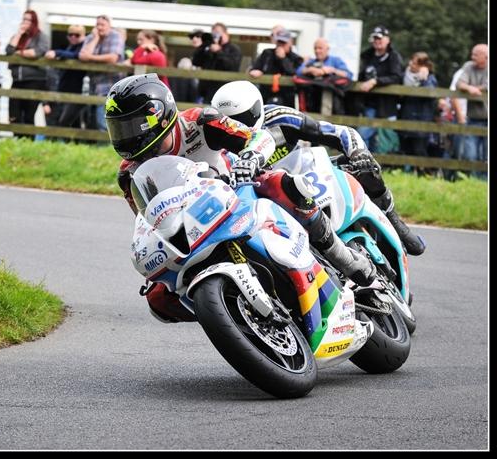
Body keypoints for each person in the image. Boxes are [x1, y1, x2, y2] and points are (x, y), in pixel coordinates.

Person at [106, 74, 376, 323]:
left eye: (131, 126)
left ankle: (343, 258)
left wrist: (250, 159)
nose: (125, 138)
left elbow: (257, 137)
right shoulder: (129, 173)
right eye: (118, 129)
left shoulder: (199, 121)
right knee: (158, 300)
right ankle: (232, 313)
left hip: (237, 188)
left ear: (159, 115)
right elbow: (147, 217)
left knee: (282, 184)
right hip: (194, 221)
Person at [211, 80, 426, 257]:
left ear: (257, 110)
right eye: (229, 121)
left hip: (309, 176)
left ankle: (393, 220)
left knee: (366, 168)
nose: (237, 127)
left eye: (242, 119)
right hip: (268, 200)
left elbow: (340, 133)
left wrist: (358, 154)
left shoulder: (280, 117)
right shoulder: (217, 142)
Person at [354, 26, 404, 152]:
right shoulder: (367, 56)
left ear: (387, 40)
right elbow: (359, 74)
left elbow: (396, 77)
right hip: (368, 103)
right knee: (365, 136)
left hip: (386, 106)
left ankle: (380, 165)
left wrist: (375, 81)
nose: (377, 41)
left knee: (382, 138)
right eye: (375, 38)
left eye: (380, 38)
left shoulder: (393, 57)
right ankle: (364, 165)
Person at [78, 14, 125, 131]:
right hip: (93, 85)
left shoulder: (115, 36)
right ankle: (99, 146)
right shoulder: (92, 37)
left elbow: (113, 58)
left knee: (103, 120)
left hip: (111, 85)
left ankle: (106, 146)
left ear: (109, 25)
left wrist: (91, 57)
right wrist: (96, 39)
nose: (99, 27)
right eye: (97, 24)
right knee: (93, 118)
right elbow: (82, 56)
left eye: (102, 25)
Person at [5, 10, 50, 126]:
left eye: (27, 20)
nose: (24, 22)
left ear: (33, 22)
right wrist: (19, 34)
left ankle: (28, 141)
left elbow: (37, 52)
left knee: (29, 115)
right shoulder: (18, 37)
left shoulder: (41, 36)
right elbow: (9, 51)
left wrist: (19, 53)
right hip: (17, 80)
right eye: (23, 19)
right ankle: (16, 140)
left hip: (34, 80)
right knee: (14, 114)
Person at [399, 52, 439, 171]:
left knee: (419, 151)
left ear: (423, 65)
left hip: (421, 120)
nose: (410, 64)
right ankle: (408, 174)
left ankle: (425, 174)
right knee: (406, 149)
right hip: (405, 117)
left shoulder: (430, 78)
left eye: (414, 62)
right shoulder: (405, 76)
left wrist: (423, 79)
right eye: (411, 60)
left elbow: (431, 94)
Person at [44, 24, 88, 128]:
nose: (73, 37)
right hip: (65, 88)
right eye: (70, 34)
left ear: (83, 36)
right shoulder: (70, 47)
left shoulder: (84, 46)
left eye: (77, 35)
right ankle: (72, 142)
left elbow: (76, 55)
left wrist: (57, 52)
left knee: (65, 120)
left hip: (77, 89)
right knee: (71, 120)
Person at [294, 37, 353, 114]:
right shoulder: (311, 62)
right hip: (312, 104)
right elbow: (298, 72)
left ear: (327, 49)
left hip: (332, 106)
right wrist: (310, 70)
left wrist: (331, 70)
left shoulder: (335, 60)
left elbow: (348, 75)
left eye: (320, 48)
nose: (317, 51)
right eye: (315, 48)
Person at [455, 43, 488, 179]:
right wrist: (470, 89)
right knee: (471, 154)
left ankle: (485, 183)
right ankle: (474, 180)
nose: (472, 56)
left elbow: (487, 86)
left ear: (485, 57)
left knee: (486, 155)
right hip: (473, 118)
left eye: (475, 54)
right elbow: (459, 83)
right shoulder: (469, 66)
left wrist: (475, 88)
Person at [249, 28, 303, 107]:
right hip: (266, 96)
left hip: (286, 98)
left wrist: (283, 59)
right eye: (279, 42)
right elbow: (255, 68)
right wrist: (255, 71)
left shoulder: (296, 58)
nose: (280, 45)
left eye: (283, 42)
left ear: (290, 43)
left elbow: (293, 73)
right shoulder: (267, 53)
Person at [191, 22, 241, 103]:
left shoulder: (233, 49)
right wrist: (203, 46)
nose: (215, 35)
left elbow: (231, 66)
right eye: (213, 33)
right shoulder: (208, 48)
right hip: (207, 92)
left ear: (225, 34)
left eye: (217, 33)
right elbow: (196, 62)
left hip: (225, 92)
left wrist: (218, 51)